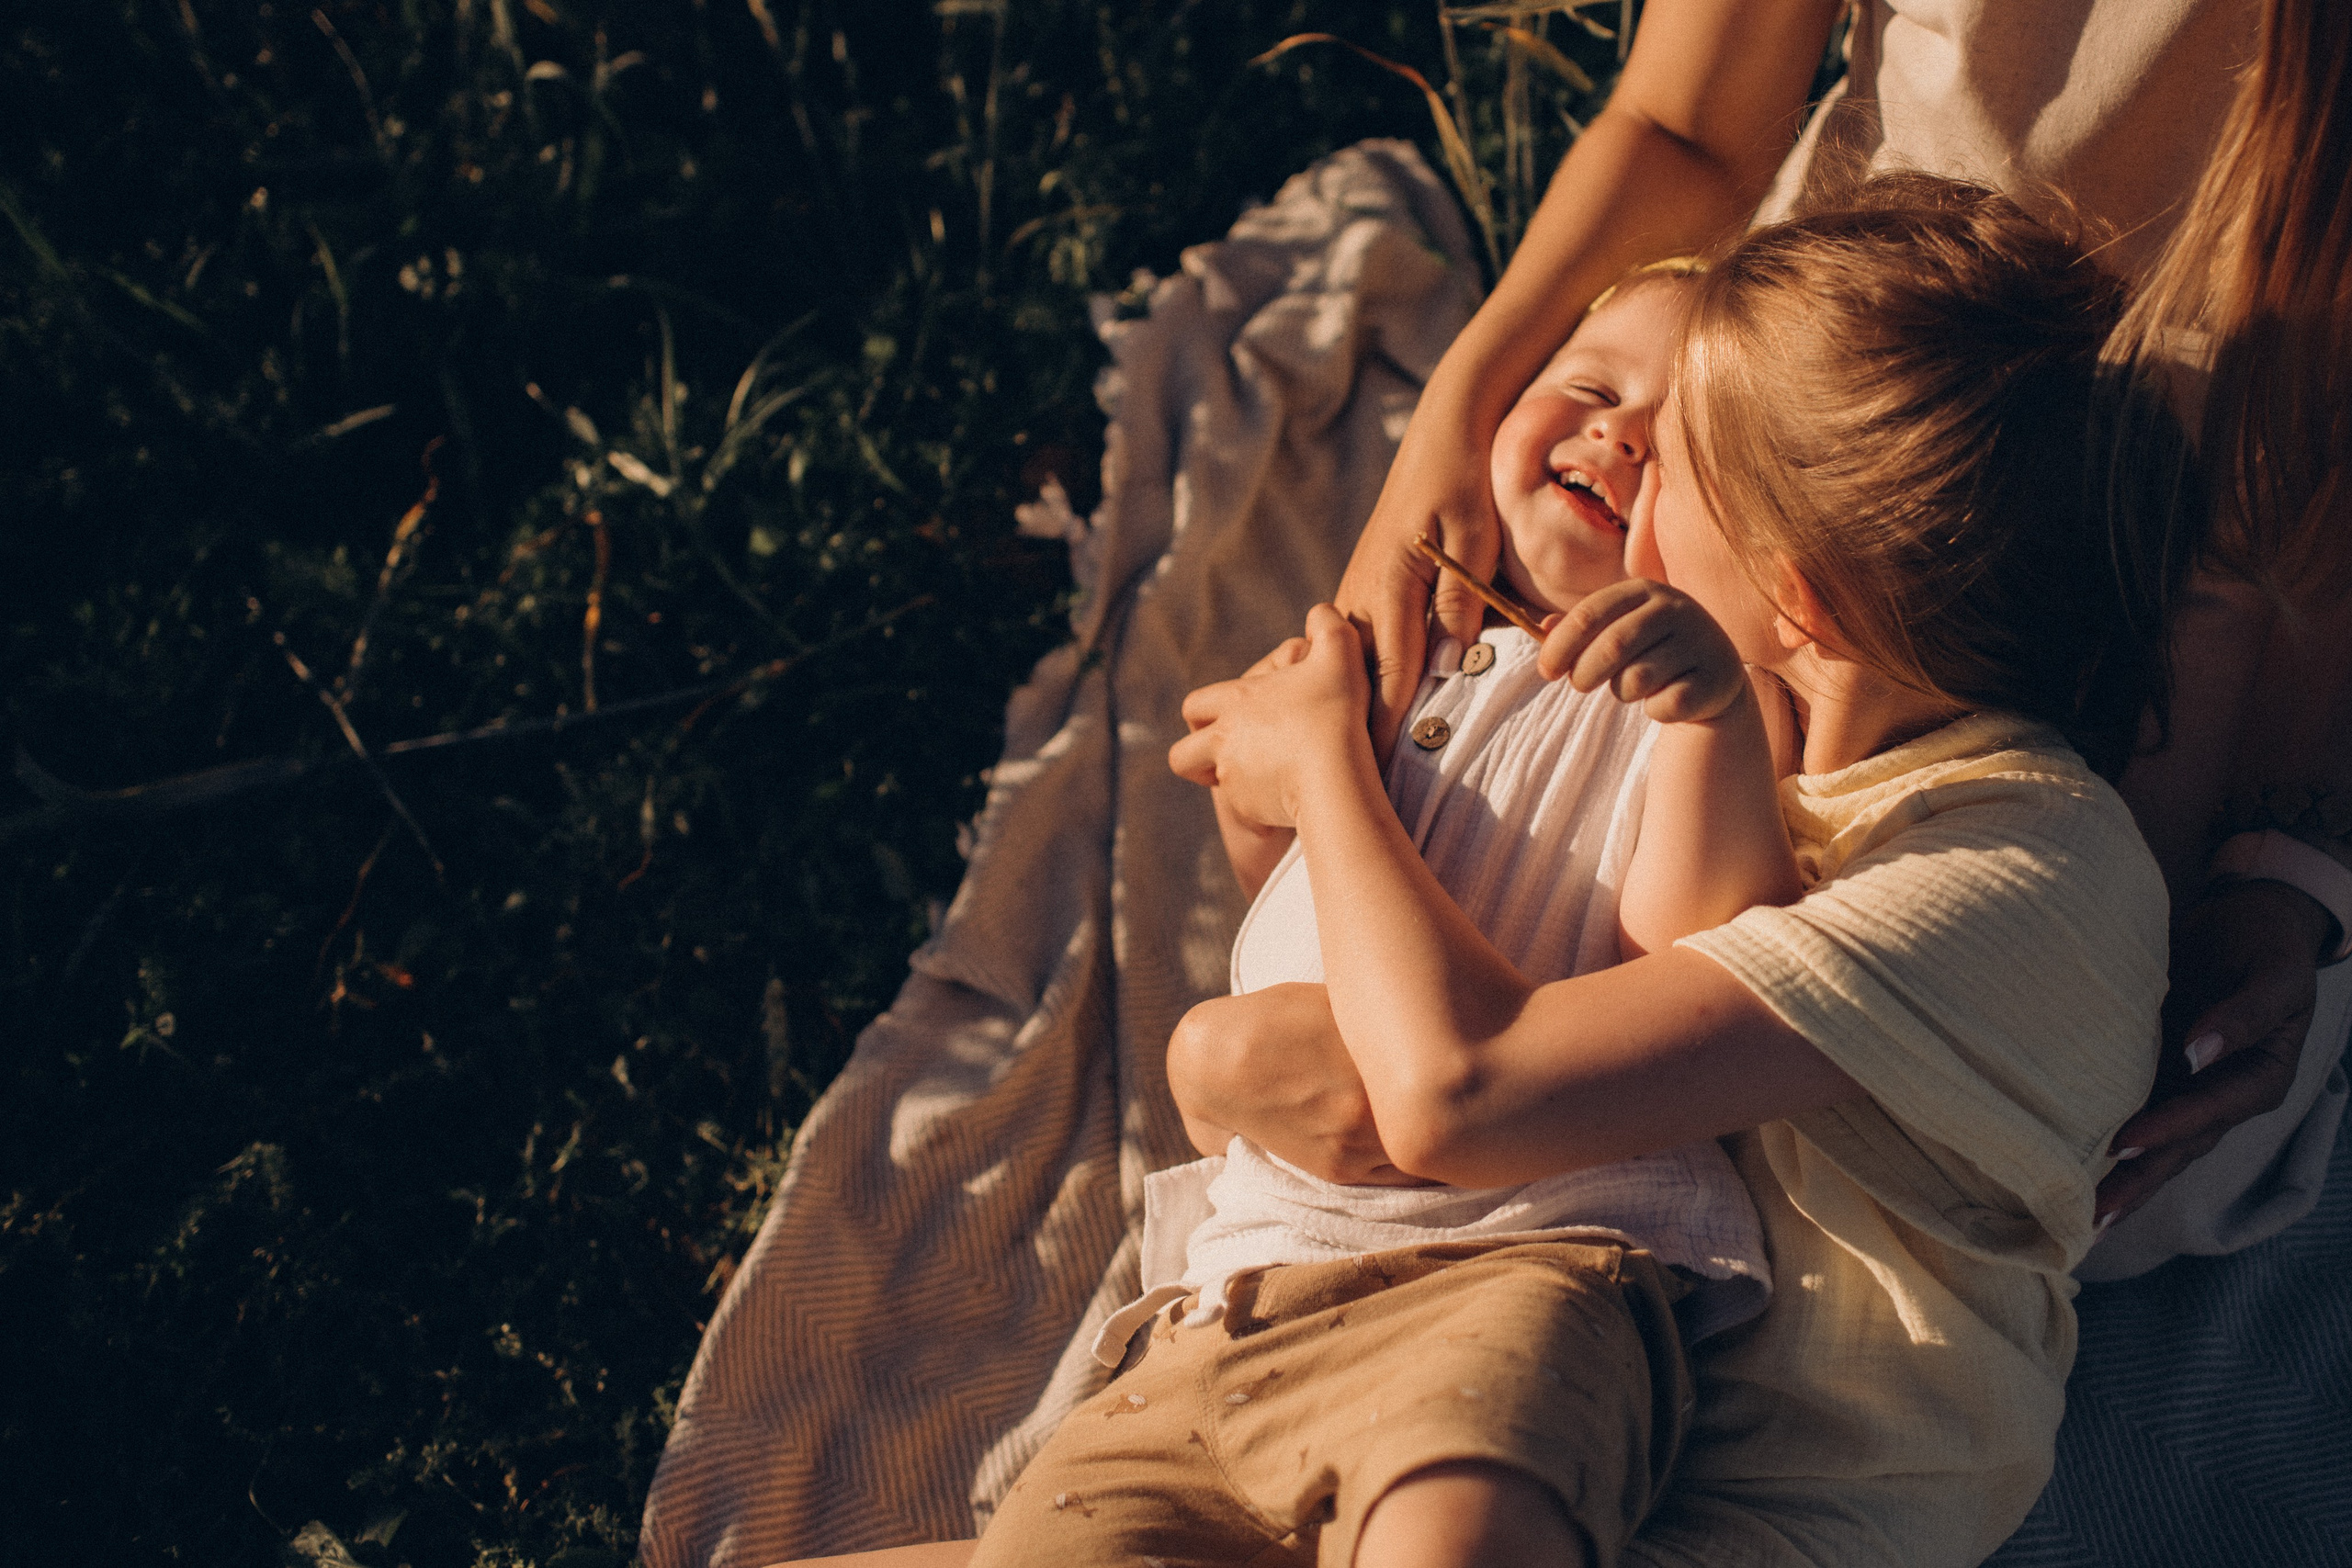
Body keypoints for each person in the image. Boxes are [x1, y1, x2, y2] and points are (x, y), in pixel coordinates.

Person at [1028, 176, 2191, 1567]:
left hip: (1713, 1508)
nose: (1622, 466)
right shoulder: (1763, 734)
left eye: (1680, 454)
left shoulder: (2018, 863)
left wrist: (1325, 768)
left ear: (1792, 592)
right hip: (1343, 1326)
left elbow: (1465, 1086)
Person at [1330, 0, 2343, 1248]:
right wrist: (1462, 407)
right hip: (1807, 419)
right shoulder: (1707, 599)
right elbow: (1685, 120)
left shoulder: (2051, 863)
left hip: (2202, 595)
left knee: (2096, 1168)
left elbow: (1459, 1094)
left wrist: (2288, 860)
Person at [969, 263, 1794, 1567]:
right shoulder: (1409, 648)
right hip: (1243, 1292)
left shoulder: (1689, 698)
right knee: (1070, 1541)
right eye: (1591, 389)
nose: (1621, 434)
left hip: (1527, 1266)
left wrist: (1711, 711)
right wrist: (1275, 786)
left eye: (1686, 447)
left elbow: (1687, 952)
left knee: (1458, 1527)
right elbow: (1300, 909)